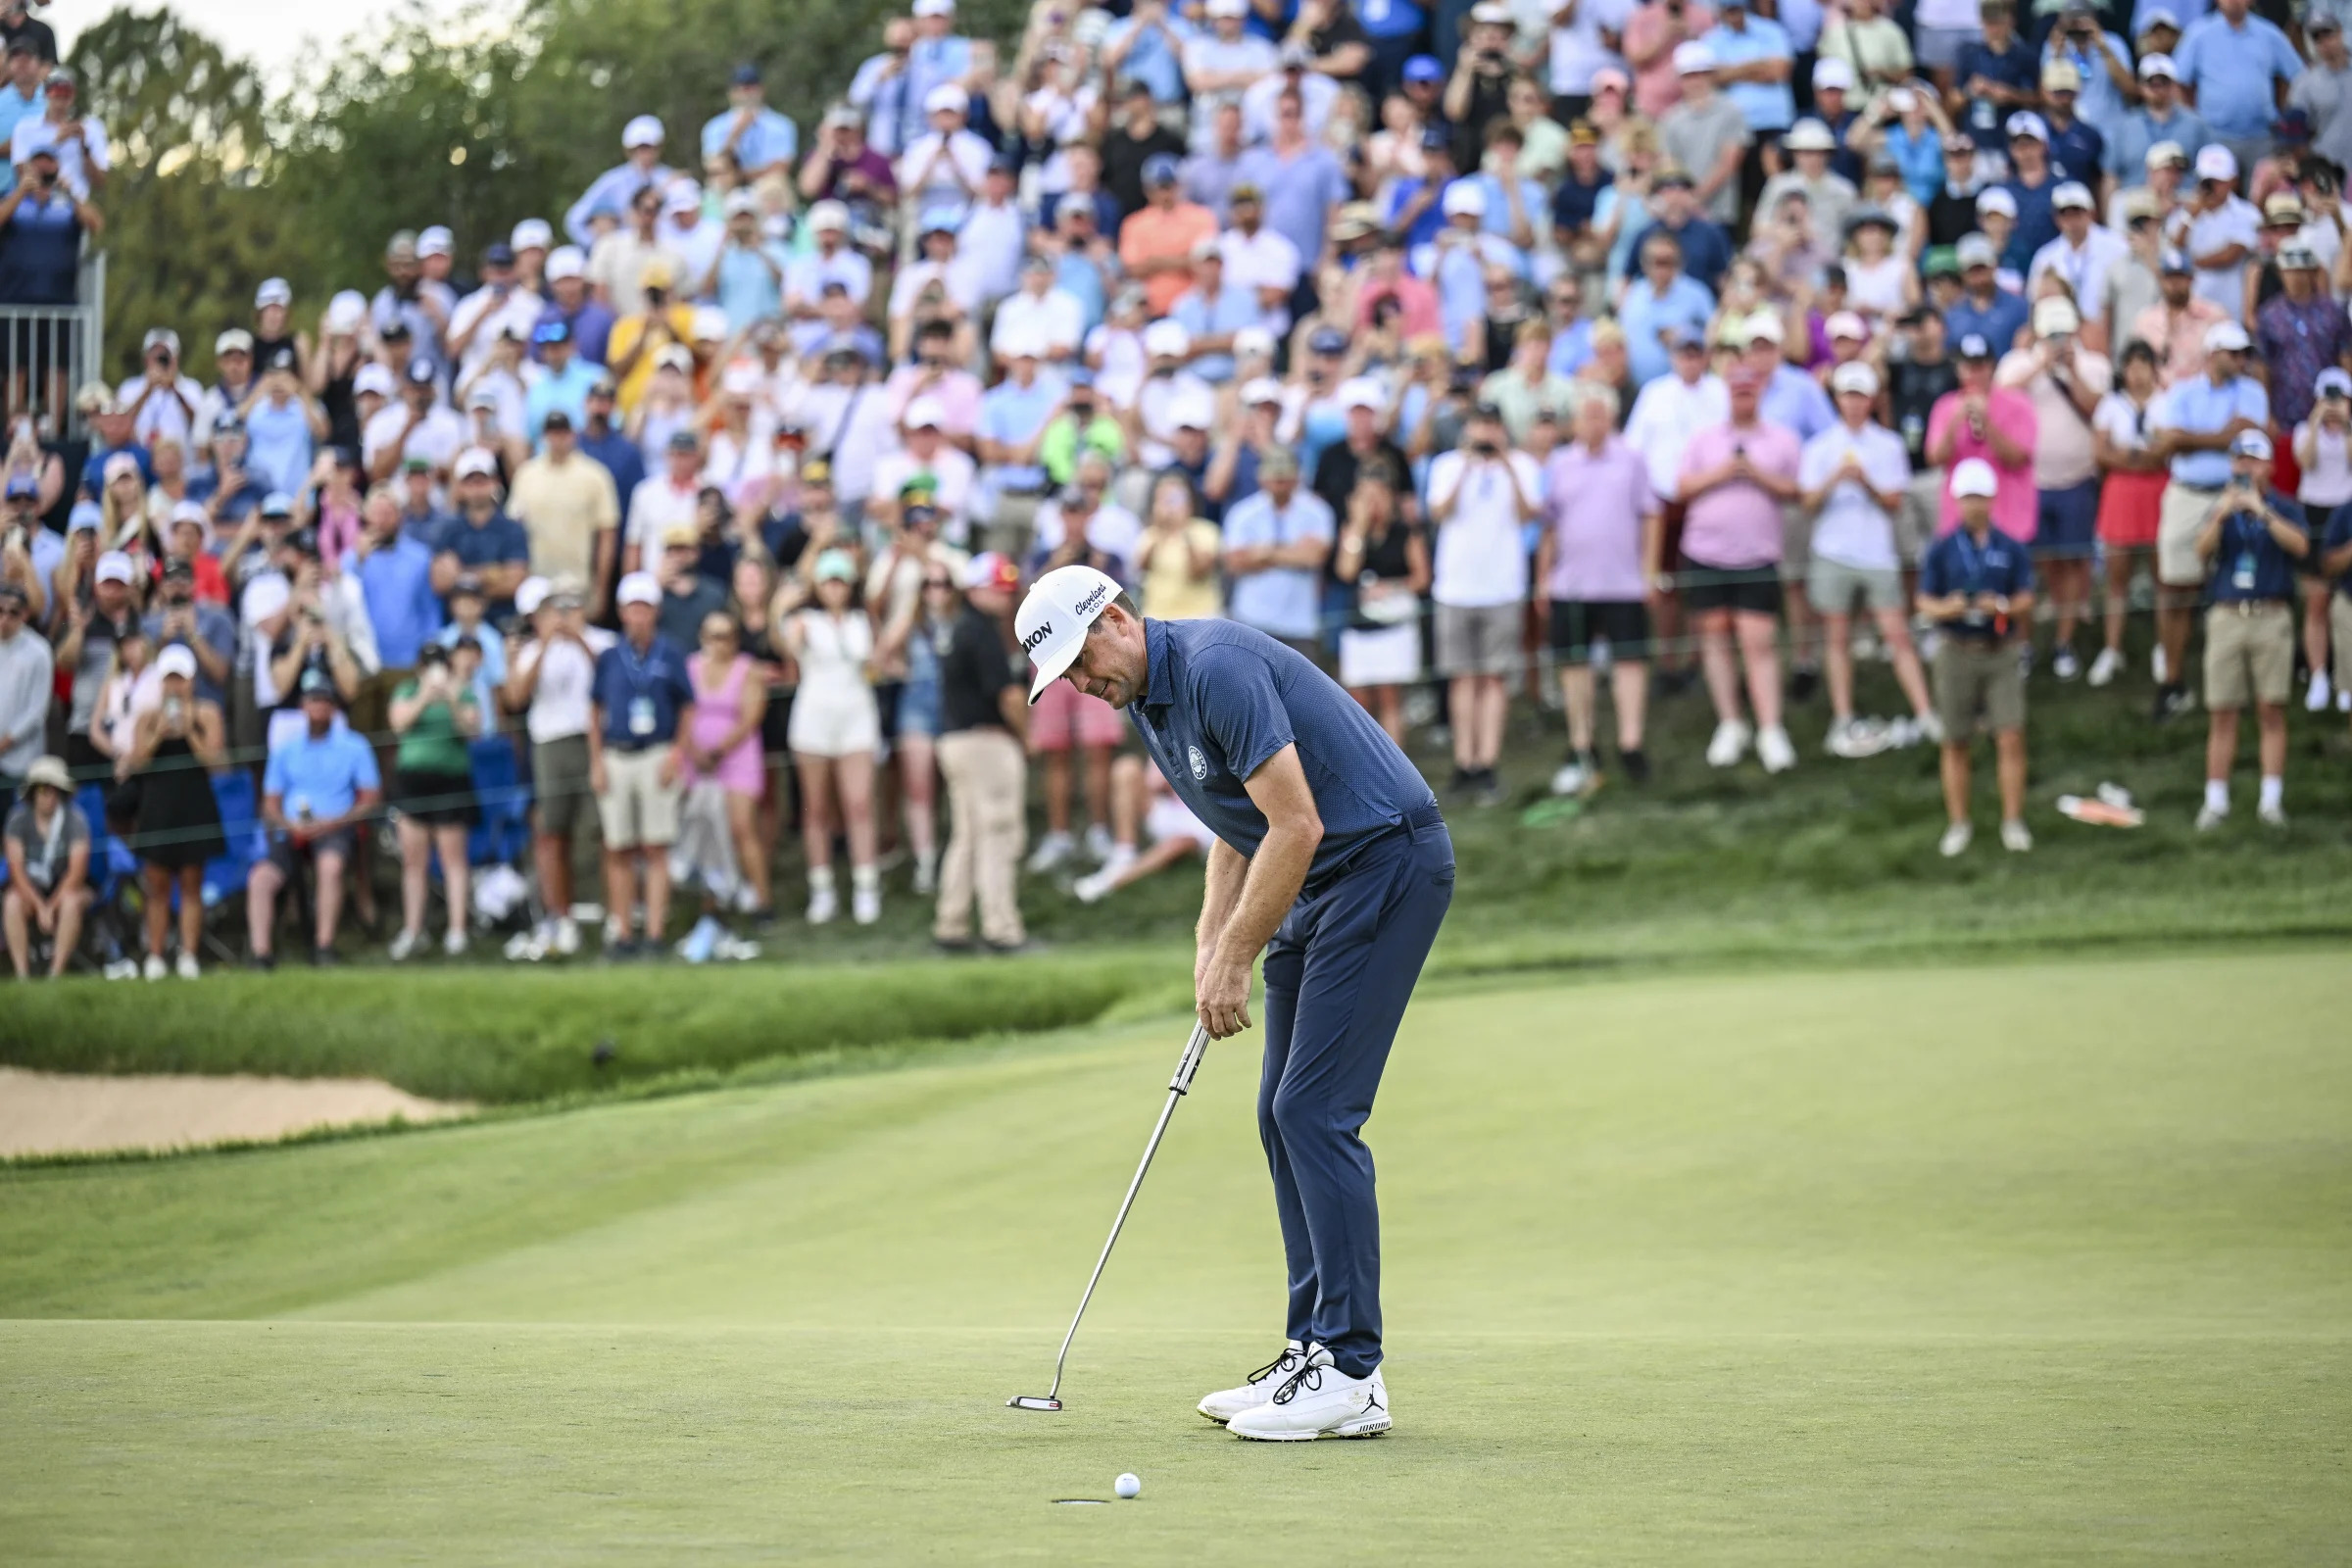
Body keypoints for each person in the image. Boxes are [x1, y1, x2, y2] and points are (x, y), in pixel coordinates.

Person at [1015, 563, 1453, 1442]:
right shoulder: (1147, 699)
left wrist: (1238, 956)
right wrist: (1211, 941)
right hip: (1315, 881)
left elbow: (1296, 824)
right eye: (1062, 676)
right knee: (1276, 1113)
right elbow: (1236, 824)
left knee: (1315, 1110)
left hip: (1383, 865)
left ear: (1118, 620)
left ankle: (1354, 1371)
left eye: (1078, 662)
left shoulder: (1213, 667)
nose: (1079, 685)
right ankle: (1312, 1349)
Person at [1678, 366, 1801, 773]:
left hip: (1757, 554)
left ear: (1759, 394)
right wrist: (1725, 471)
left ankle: (1769, 727)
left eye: (1749, 391)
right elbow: (1683, 487)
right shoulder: (1705, 440)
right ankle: (1731, 723)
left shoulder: (1780, 440)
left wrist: (1755, 473)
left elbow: (1794, 490)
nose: (1742, 397)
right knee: (1714, 637)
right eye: (1737, 391)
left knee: (1758, 641)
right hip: (1706, 552)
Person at [1538, 396, 1659, 796]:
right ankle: (1582, 744)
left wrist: (1650, 572)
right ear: (1575, 422)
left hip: (1623, 583)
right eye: (1586, 416)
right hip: (1571, 585)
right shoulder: (1561, 464)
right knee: (1575, 667)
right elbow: (1550, 526)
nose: (1593, 422)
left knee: (1630, 664)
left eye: (1600, 415)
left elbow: (1650, 514)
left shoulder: (1631, 460)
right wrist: (1544, 577)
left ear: (1611, 419)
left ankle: (1631, 744)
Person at [2191, 429, 2308, 830]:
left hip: (2271, 615)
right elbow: (2200, 552)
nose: (2246, 466)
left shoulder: (2283, 506)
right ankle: (2215, 801)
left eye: (2254, 459)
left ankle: (2270, 801)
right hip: (2227, 614)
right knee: (2222, 710)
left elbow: (2300, 546)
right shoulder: (2220, 507)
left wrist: (2262, 511)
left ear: (2269, 466)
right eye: (2240, 459)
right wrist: (2223, 512)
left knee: (2271, 708)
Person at [2151, 318, 2267, 721]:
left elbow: (2246, 441)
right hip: (2186, 493)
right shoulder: (2183, 392)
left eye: (2243, 354)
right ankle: (2173, 681)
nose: (2240, 360)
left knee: (2238, 586)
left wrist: (2191, 438)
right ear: (2213, 354)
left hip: (2233, 493)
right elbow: (2169, 443)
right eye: (2233, 353)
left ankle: (2241, 686)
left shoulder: (2252, 391)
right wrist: (2219, 435)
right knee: (2175, 589)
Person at [1918, 458, 2034, 857]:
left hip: (1999, 650)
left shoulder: (2010, 546)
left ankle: (2013, 820)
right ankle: (1959, 823)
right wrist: (1949, 608)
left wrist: (2000, 605)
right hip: (1956, 649)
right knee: (1955, 740)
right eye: (1967, 498)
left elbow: (2026, 598)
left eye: (1981, 497)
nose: (1974, 505)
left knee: (2010, 735)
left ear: (1992, 499)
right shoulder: (1942, 549)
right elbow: (1924, 602)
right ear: (1956, 502)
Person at [1426, 403, 1538, 802]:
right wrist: (1469, 464)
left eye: (1493, 425)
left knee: (1494, 677)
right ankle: (1464, 761)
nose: (1486, 432)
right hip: (1455, 588)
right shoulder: (1447, 465)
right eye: (1480, 425)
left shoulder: (1521, 465)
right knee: (1462, 677)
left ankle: (1487, 762)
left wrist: (1504, 462)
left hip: (1502, 588)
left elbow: (1530, 514)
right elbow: (1439, 511)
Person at [1996, 295, 2108, 677]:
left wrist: (2071, 371)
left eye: (2064, 333)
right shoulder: (2018, 363)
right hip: (2029, 484)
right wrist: (2040, 366)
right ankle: (2024, 644)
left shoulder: (2093, 365)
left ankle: (2064, 642)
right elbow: (2002, 398)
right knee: (2030, 566)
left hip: (2077, 481)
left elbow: (2097, 408)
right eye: (2052, 334)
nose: (2060, 340)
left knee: (2073, 564)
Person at [504, 575, 612, 961]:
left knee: (607, 834)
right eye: (554, 609)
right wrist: (548, 643)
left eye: (569, 606)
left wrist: (578, 639)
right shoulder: (534, 649)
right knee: (552, 834)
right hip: (550, 744)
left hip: (593, 740)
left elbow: (613, 680)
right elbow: (516, 697)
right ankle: (561, 918)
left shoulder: (601, 641)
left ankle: (616, 917)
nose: (562, 615)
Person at [589, 571, 696, 958]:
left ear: (655, 612)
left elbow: (687, 706)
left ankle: (653, 934)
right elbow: (594, 709)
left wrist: (677, 753)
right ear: (621, 612)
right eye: (632, 608)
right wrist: (597, 760)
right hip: (617, 754)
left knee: (655, 847)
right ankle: (622, 934)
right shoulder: (608, 657)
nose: (638, 616)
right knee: (618, 847)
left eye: (645, 608)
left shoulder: (670, 653)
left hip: (656, 753)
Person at [249, 668, 383, 968]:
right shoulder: (285, 751)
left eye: (325, 701)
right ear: (302, 707)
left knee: (331, 866)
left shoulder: (355, 746)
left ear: (334, 708)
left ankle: (323, 947)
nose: (319, 708)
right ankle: (261, 954)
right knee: (260, 878)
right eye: (313, 701)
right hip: (292, 828)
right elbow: (270, 804)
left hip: (337, 828)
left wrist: (333, 822)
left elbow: (371, 800)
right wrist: (289, 824)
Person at [781, 550, 882, 926]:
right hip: (814, 719)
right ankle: (821, 888)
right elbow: (785, 643)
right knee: (816, 808)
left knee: (858, 804)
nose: (835, 588)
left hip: (857, 715)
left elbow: (874, 663)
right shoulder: (804, 620)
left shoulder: (861, 620)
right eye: (828, 581)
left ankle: (866, 886)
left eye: (841, 580)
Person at [115, 643, 225, 980]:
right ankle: (156, 956)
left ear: (191, 681)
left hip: (194, 802)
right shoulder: (147, 716)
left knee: (192, 883)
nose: (175, 686)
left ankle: (188, 955)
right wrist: (158, 733)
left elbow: (216, 764)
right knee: (157, 885)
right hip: (158, 805)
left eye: (181, 679)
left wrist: (189, 730)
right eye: (169, 680)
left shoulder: (207, 713)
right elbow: (136, 764)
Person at [679, 610, 771, 923]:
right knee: (707, 831)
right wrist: (694, 750)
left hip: (738, 756)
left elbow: (750, 716)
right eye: (713, 635)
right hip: (696, 759)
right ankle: (713, 903)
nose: (720, 643)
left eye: (727, 636)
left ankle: (761, 900)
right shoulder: (690, 668)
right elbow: (683, 712)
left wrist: (718, 750)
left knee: (741, 827)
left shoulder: (748, 670)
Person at [2089, 339, 2171, 688]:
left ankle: (2164, 647)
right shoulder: (2110, 406)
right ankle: (2112, 648)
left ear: (2155, 368)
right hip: (2121, 491)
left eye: (2144, 364)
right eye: (2131, 366)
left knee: (2161, 576)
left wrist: (2129, 456)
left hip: (2156, 490)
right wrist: (2137, 458)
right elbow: (2100, 452)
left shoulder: (2167, 404)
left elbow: (2166, 449)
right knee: (2116, 575)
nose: (2137, 373)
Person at [1332, 473, 1428, 748]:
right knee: (1358, 698)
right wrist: (1359, 526)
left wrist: (1390, 587)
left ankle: (1395, 762)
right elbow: (1346, 571)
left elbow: (1421, 578)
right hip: (1359, 626)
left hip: (1394, 624)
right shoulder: (1351, 533)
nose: (1373, 504)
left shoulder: (1405, 532)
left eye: (1379, 496)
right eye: (1366, 498)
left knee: (1390, 696)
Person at [1068, 753, 1220, 905]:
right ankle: (1124, 853)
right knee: (1126, 768)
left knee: (1181, 842)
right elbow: (1154, 782)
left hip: (1209, 817)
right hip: (1172, 807)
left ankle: (1109, 882)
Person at [3, 754, 88, 979]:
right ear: (32, 792)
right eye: (42, 789)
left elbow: (76, 872)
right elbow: (16, 870)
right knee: (12, 902)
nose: (48, 796)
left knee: (71, 902)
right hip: (31, 891)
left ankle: (55, 975)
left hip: (65, 889)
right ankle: (23, 975)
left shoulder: (75, 820)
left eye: (53, 789)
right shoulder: (17, 820)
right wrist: (40, 906)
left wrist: (51, 906)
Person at [0, 579, 49, 820]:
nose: (5, 618)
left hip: (20, 760)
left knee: (15, 828)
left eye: (12, 612)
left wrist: (5, 742)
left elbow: (37, 710)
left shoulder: (39, 651)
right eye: (0, 610)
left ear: (25, 614)